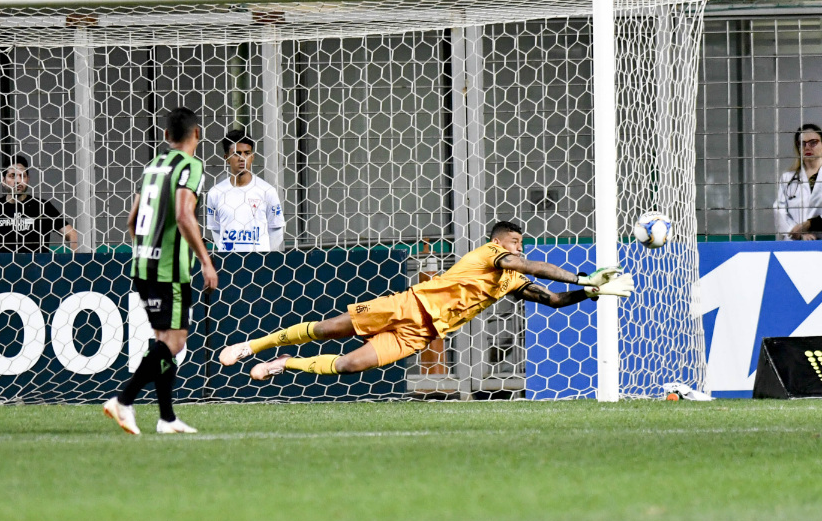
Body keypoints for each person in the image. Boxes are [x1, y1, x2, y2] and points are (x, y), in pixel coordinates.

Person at [218, 220, 634, 381]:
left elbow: (554, 299)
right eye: (514, 241)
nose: (518, 247)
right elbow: (531, 266)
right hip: (408, 305)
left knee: (348, 365)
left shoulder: (510, 280)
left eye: (521, 242)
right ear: (498, 241)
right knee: (328, 329)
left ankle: (284, 363)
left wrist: (590, 292)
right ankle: (252, 345)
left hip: (421, 334)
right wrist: (583, 274)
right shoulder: (490, 254)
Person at [103, 107, 218, 436]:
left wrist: (146, 250)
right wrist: (206, 261)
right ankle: (124, 399)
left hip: (143, 264)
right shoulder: (191, 166)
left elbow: (132, 219)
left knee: (163, 341)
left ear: (166, 135)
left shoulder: (153, 165)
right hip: (170, 269)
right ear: (197, 134)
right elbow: (183, 215)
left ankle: (167, 418)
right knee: (175, 343)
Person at [0, 156, 79, 253]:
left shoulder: (42, 206)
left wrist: (74, 261)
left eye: (22, 176)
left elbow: (72, 234)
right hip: (2, 267)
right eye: (12, 176)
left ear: (28, 179)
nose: (18, 181)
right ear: (3, 180)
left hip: (37, 267)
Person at [205, 129, 286, 252]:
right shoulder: (215, 193)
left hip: (259, 260)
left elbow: (276, 229)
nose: (242, 158)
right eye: (236, 153)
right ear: (226, 158)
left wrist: (263, 255)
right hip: (229, 260)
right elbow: (215, 230)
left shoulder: (267, 191)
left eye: (247, 153)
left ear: (252, 157)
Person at [773, 123, 822, 241]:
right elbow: (779, 211)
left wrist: (809, 224)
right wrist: (797, 232)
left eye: (813, 142)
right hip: (796, 243)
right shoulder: (787, 178)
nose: (807, 147)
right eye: (802, 143)